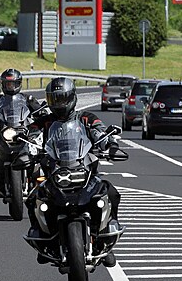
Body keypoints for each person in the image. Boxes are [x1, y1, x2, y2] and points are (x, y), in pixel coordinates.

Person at [27, 77, 121, 267]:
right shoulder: (44, 122)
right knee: (32, 199)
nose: (59, 104)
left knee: (111, 192)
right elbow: (31, 135)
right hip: (55, 173)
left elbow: (100, 132)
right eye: (55, 99)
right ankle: (44, 240)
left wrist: (109, 144)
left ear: (71, 98)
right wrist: (29, 149)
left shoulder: (86, 118)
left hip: (85, 170)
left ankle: (106, 241)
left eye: (62, 99)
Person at [0, 68, 43, 200]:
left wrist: (42, 113)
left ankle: (40, 181)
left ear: (18, 84)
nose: (10, 86)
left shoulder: (27, 98)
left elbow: (38, 109)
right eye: (7, 84)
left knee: (39, 153)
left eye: (12, 84)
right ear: (3, 85)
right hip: (4, 133)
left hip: (23, 132)